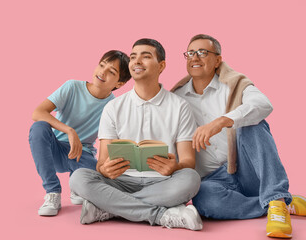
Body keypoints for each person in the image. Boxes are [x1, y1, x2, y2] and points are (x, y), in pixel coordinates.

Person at [171, 34, 306, 238]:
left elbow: (263, 104)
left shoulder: (234, 85)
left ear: (217, 59)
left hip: (248, 170)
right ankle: (277, 202)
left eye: (202, 52)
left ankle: (276, 201)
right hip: (214, 180)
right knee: (203, 200)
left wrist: (221, 121)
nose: (195, 57)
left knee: (251, 123)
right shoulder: (177, 97)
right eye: (190, 53)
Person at [69, 38, 203, 231]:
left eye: (146, 56)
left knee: (191, 178)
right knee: (79, 178)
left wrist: (175, 166)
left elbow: (189, 161)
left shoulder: (180, 106)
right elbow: (101, 163)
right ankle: (161, 215)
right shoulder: (113, 107)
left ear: (161, 65)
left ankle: (108, 208)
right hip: (120, 182)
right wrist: (105, 170)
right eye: (133, 57)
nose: (136, 61)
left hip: (162, 182)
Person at [29, 50, 132, 216]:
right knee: (39, 127)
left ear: (119, 84)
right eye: (102, 65)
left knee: (106, 179)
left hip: (82, 155)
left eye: (111, 72)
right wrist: (70, 131)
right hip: (55, 149)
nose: (102, 72)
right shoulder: (72, 87)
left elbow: (115, 140)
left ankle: (76, 186)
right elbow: (38, 112)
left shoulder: (113, 107)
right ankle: (52, 192)